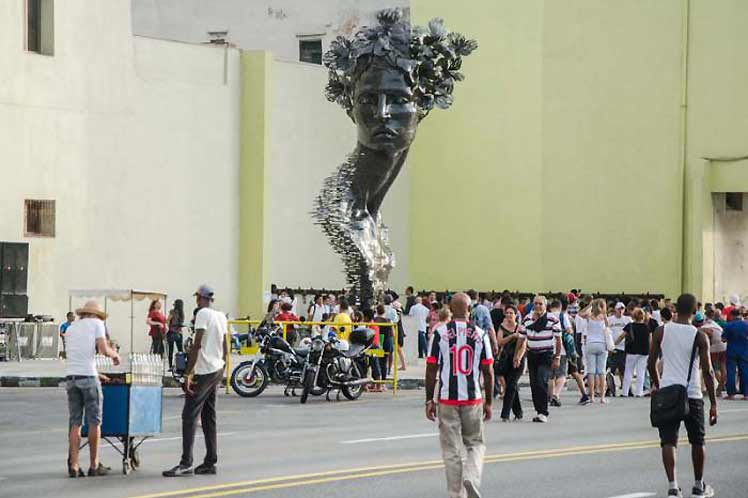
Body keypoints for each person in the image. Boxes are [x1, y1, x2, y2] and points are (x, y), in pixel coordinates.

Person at [648, 293, 717, 498]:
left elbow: (651, 364)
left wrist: (658, 385)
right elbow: (708, 371)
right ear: (695, 311)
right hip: (693, 394)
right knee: (698, 440)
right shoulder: (699, 336)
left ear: (676, 308)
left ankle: (673, 486)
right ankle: (698, 486)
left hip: (668, 391)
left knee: (668, 441)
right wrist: (713, 403)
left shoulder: (662, 331)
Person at [425, 293, 493, 498]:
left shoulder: (439, 333)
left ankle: (456, 494)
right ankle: (471, 477)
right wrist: (489, 401)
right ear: (469, 309)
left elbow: (431, 369)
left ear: (451, 310)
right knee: (475, 444)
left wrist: (430, 399)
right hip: (472, 398)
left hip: (447, 399)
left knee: (451, 451)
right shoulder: (480, 334)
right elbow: (488, 371)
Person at [163, 285, 228, 477]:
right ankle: (210, 461)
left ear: (200, 298)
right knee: (209, 415)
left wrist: (188, 374)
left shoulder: (202, 314)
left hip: (204, 370)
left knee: (189, 415)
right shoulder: (221, 316)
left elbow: (197, 344)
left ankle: (186, 462)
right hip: (216, 368)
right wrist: (222, 367)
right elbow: (225, 345)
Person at [65, 300, 120, 478]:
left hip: (71, 378)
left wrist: (97, 373)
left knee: (75, 422)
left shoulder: (71, 328)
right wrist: (115, 355)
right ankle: (94, 464)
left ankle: (74, 465)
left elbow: (79, 356)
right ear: (96, 315)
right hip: (88, 379)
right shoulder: (97, 324)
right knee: (94, 422)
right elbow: (103, 349)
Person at [518, 295, 562, 422]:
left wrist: (557, 357)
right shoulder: (527, 319)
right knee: (533, 384)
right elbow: (521, 338)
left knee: (541, 380)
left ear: (545, 306)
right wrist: (517, 356)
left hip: (546, 354)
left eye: (540, 304)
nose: (537, 306)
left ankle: (543, 412)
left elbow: (558, 340)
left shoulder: (552, 319)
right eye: (535, 304)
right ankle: (539, 411)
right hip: (532, 354)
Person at [548, 299, 589, 406]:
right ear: (561, 307)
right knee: (569, 373)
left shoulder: (546, 316)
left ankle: (551, 396)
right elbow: (570, 330)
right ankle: (583, 395)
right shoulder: (563, 316)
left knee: (551, 376)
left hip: (549, 348)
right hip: (565, 349)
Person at [497, 304, 525, 421]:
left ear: (515, 315)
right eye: (507, 313)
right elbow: (500, 342)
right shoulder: (502, 327)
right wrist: (512, 336)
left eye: (511, 313)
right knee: (510, 385)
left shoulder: (521, 328)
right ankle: (518, 412)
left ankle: (505, 414)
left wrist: (518, 358)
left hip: (517, 359)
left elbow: (523, 345)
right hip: (506, 359)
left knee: (512, 384)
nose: (509, 315)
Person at [579, 299, 610, 404]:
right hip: (602, 344)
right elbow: (608, 327)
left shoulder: (589, 316)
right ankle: (602, 397)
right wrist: (604, 312)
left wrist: (589, 305)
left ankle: (591, 396)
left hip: (590, 344)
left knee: (591, 372)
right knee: (602, 372)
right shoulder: (604, 317)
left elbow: (580, 314)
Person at [618, 308, 651, 397]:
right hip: (644, 351)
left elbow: (622, 336)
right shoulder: (646, 327)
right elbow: (650, 340)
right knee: (641, 372)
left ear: (633, 316)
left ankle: (625, 392)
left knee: (628, 371)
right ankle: (639, 392)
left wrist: (614, 344)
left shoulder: (630, 326)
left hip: (631, 351)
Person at [721, 308, 748, 399]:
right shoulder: (746, 324)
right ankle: (746, 394)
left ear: (732, 315)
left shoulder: (729, 326)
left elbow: (723, 339)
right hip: (744, 351)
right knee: (744, 371)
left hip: (731, 351)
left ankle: (731, 393)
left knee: (731, 372)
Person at [608, 302, 632, 395]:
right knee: (611, 369)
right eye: (619, 309)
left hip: (624, 347)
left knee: (623, 369)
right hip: (613, 348)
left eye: (622, 309)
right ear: (615, 309)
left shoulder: (628, 320)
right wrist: (609, 346)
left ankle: (626, 388)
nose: (621, 311)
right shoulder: (610, 320)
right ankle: (610, 388)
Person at [701, 309, 726, 396]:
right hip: (723, 347)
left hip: (713, 348)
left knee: (713, 367)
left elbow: (709, 333)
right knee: (723, 366)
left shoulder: (705, 325)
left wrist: (710, 342)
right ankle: (722, 384)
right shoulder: (717, 325)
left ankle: (720, 385)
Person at [467, 289, 499, 357]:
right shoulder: (484, 309)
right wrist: (495, 343)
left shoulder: (464, 308)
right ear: (478, 297)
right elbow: (490, 328)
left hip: (466, 340)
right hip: (481, 340)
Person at [166, 300, 185, 371]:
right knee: (180, 350)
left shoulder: (172, 312)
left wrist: (169, 326)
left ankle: (170, 366)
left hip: (172, 332)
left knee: (170, 350)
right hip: (179, 333)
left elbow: (167, 320)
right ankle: (181, 366)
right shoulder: (182, 313)